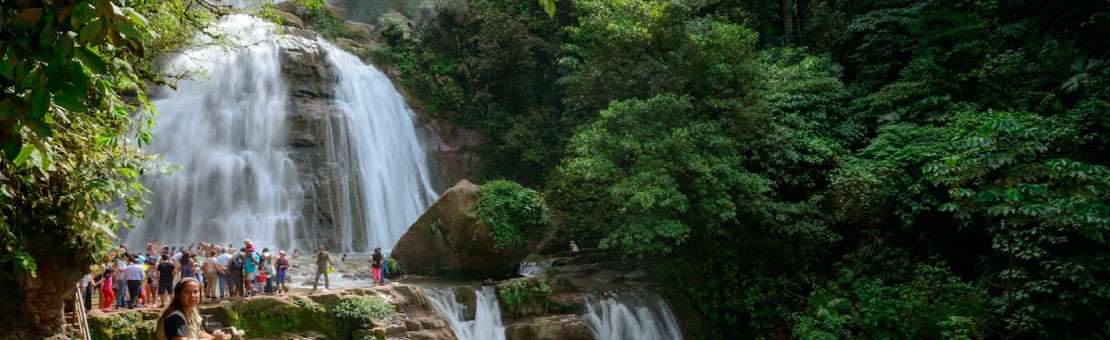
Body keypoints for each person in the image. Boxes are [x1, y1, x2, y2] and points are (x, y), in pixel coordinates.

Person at [154, 278, 227, 340]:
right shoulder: (175, 318)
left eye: (195, 292)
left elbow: (200, 334)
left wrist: (214, 336)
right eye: (187, 292)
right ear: (178, 295)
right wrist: (213, 338)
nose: (192, 296)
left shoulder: (193, 313)